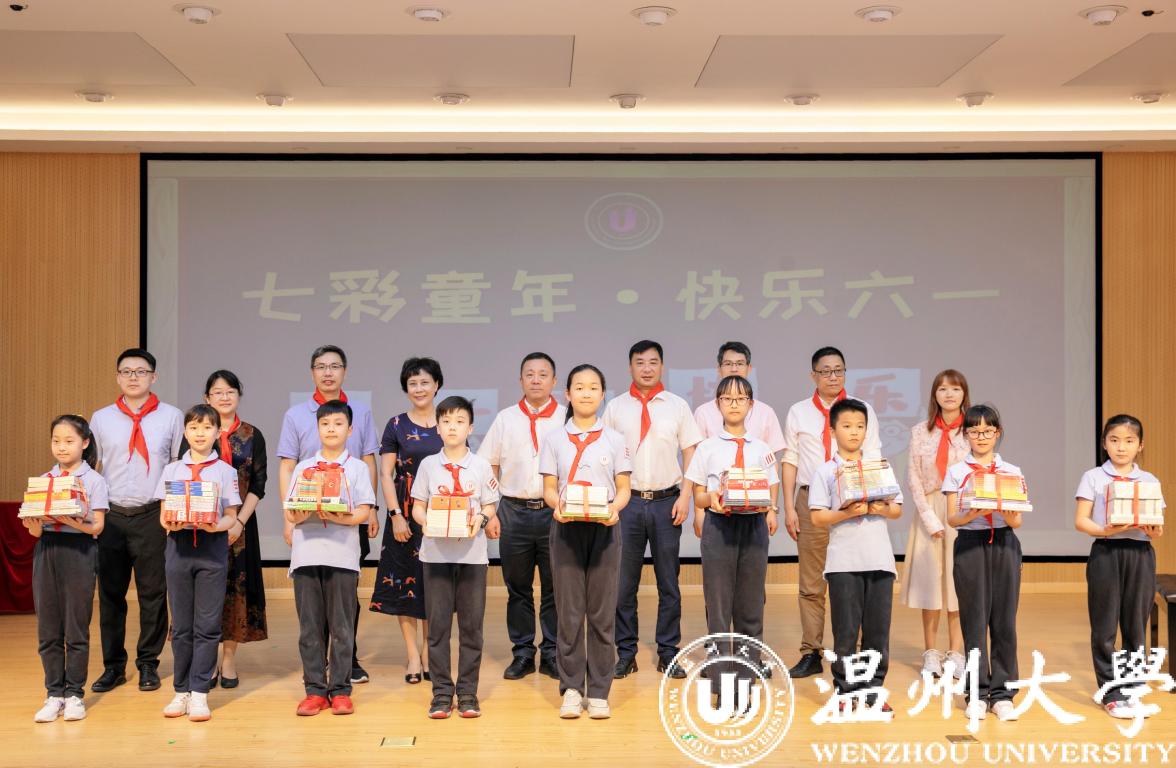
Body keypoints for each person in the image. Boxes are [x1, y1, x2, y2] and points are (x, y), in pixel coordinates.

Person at [277, 345, 378, 684]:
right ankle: (316, 671)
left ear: (344, 371)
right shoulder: (296, 415)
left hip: (349, 516)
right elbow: (287, 465)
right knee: (311, 606)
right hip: (307, 523)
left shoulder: (361, 412)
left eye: (335, 366)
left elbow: (369, 459)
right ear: (312, 372)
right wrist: (288, 517)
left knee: (345, 596)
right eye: (321, 366)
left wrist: (371, 510)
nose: (328, 372)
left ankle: (346, 665)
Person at [780, 346, 880, 679]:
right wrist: (788, 506)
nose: (833, 376)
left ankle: (851, 653)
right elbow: (791, 459)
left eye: (838, 370)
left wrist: (868, 501)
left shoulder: (862, 410)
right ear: (814, 375)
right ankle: (811, 652)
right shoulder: (798, 412)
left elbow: (873, 455)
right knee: (811, 584)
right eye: (825, 371)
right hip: (810, 501)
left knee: (852, 581)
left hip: (853, 500)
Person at [603, 340, 701, 679]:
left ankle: (668, 652)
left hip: (666, 502)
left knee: (668, 583)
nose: (646, 368)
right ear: (630, 367)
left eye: (653, 362)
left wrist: (686, 496)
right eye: (640, 362)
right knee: (623, 584)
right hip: (627, 503)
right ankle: (625, 653)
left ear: (662, 366)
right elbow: (605, 455)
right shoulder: (615, 407)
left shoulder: (677, 406)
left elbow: (691, 452)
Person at [89, 348, 184, 693]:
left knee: (153, 594)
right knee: (110, 595)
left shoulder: (172, 417)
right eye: (126, 371)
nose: (133, 377)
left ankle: (148, 664)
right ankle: (113, 667)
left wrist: (173, 513)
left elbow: (177, 466)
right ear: (117, 377)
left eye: (140, 371)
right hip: (112, 515)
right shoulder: (101, 418)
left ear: (153, 377)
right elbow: (92, 467)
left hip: (152, 515)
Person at [540, 364, 632, 719]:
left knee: (601, 613)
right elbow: (549, 488)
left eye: (593, 387)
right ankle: (571, 688)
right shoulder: (554, 439)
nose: (586, 393)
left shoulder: (615, 439)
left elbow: (623, 488)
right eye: (579, 387)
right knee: (569, 612)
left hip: (605, 529)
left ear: (603, 394)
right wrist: (557, 506)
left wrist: (614, 509)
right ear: (568, 394)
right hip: (566, 529)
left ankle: (598, 691)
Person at [808, 399, 903, 710]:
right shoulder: (826, 471)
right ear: (832, 430)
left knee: (877, 632)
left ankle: (873, 691)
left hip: (879, 559)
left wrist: (880, 508)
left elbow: (897, 510)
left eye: (860, 426)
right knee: (846, 632)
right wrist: (846, 513)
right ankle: (846, 691)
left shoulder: (879, 467)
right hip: (844, 561)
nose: (854, 432)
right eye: (847, 426)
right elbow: (817, 517)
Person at [684, 376, 778, 685]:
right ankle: (722, 680)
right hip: (719, 527)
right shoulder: (707, 448)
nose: (734, 404)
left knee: (751, 606)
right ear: (718, 404)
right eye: (727, 398)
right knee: (719, 607)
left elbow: (772, 486)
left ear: (751, 405)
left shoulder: (762, 448)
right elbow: (698, 495)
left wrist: (771, 509)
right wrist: (711, 498)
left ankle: (747, 678)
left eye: (740, 399)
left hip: (753, 528)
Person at [411, 396, 500, 719]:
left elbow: (490, 504)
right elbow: (418, 506)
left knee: (471, 628)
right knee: (437, 629)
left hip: (472, 558)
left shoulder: (480, 466)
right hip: (435, 556)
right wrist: (426, 523)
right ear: (437, 427)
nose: (452, 427)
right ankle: (440, 693)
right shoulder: (428, 466)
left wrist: (482, 519)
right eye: (446, 421)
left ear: (470, 428)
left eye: (459, 421)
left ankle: (467, 693)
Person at [287, 400, 376, 717]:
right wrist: (306, 511)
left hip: (342, 556)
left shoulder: (357, 468)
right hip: (306, 554)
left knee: (342, 627)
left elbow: (364, 511)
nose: (331, 429)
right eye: (325, 424)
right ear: (317, 429)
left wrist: (340, 517)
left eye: (338, 424)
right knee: (309, 628)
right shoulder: (303, 468)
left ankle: (340, 690)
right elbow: (292, 512)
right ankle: (314, 690)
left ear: (350, 430)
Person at [1074, 414, 1165, 720]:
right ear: (1104, 443)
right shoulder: (1093, 477)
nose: (1121, 447)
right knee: (1104, 627)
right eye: (1114, 440)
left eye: (1129, 441)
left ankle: (1133, 689)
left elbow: (1158, 527)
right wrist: (1106, 530)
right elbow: (1081, 521)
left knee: (1135, 626)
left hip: (1140, 554)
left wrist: (1153, 530)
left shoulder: (1149, 480)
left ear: (1140, 445)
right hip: (1106, 552)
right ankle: (1112, 694)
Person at [478, 352, 561, 680]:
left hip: (555, 513)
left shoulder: (566, 418)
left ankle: (552, 652)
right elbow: (488, 464)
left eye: (543, 374)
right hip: (513, 511)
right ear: (521, 380)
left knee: (555, 588)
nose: (536, 380)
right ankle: (523, 653)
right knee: (518, 588)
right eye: (530, 374)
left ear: (554, 381)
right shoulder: (506, 419)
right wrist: (492, 509)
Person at [155, 404, 241, 722]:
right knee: (181, 626)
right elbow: (164, 516)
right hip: (178, 549)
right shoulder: (172, 470)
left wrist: (215, 526)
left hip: (211, 550)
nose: (200, 433)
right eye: (193, 427)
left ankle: (200, 692)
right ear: (185, 432)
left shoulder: (226, 471)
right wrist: (171, 522)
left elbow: (231, 517)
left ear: (218, 432)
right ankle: (181, 691)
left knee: (207, 625)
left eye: (207, 427)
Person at [944, 404, 1025, 723]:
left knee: (1004, 622)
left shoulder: (1012, 471)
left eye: (987, 431)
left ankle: (1003, 695)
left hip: (1004, 543)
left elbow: (1017, 521)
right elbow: (952, 518)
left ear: (997, 433)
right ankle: (977, 693)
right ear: (965, 435)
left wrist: (1003, 509)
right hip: (970, 544)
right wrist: (973, 513)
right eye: (974, 431)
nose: (981, 437)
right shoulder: (956, 471)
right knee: (974, 621)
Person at [27, 415, 108, 723]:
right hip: (47, 550)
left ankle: (74, 694)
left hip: (79, 550)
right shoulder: (44, 480)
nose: (61, 447)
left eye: (69, 441)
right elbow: (36, 531)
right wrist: (34, 524)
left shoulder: (94, 480)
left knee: (76, 627)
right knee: (48, 627)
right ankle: (53, 694)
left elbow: (97, 527)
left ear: (85, 443)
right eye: (56, 441)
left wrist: (72, 521)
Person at [370, 357, 444, 684]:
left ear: (436, 385)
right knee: (403, 584)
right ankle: (413, 654)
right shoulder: (396, 424)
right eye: (413, 383)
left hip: (439, 515)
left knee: (433, 585)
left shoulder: (448, 420)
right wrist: (395, 515)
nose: (419, 388)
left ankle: (429, 652)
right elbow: (386, 474)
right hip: (404, 515)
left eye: (425, 382)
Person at [899, 369, 970, 678]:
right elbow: (913, 477)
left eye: (955, 389)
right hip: (928, 508)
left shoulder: (973, 430)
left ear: (964, 394)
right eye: (942, 389)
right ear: (934, 395)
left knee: (958, 584)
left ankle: (956, 652)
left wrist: (966, 514)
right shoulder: (920, 431)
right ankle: (930, 653)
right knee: (930, 584)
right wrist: (929, 517)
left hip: (962, 511)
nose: (949, 394)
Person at [201, 370, 268, 687]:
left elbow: (258, 484)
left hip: (241, 526)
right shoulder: (199, 431)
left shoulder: (252, 434)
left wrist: (239, 521)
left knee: (235, 593)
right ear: (207, 398)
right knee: (206, 591)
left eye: (230, 391)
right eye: (217, 392)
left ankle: (228, 659)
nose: (224, 397)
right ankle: (206, 660)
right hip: (201, 525)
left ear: (238, 395)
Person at [690, 342, 786, 540]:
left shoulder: (765, 413)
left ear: (749, 368)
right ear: (719, 369)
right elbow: (699, 471)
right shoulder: (704, 413)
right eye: (728, 364)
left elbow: (772, 468)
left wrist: (772, 509)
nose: (734, 369)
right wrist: (699, 512)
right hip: (717, 513)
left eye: (740, 363)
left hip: (755, 513)